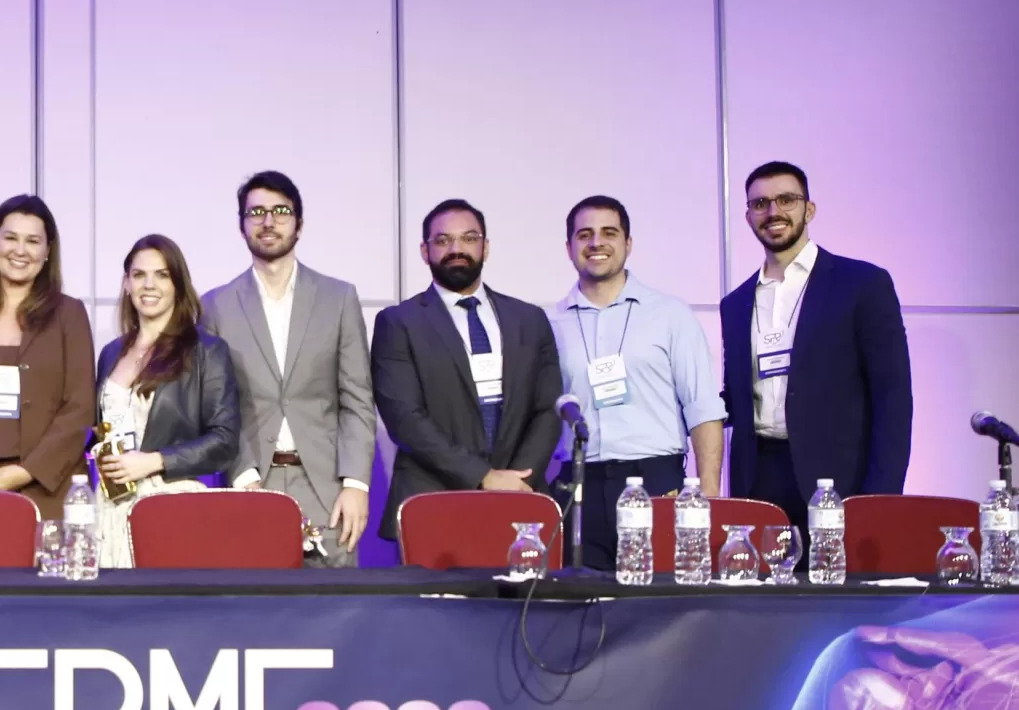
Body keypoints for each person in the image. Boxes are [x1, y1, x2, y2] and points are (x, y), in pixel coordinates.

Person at [200, 170, 377, 565]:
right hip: (249, 483)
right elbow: (216, 408)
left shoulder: (338, 298)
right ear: (241, 226)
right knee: (253, 599)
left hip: (328, 487)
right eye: (256, 212)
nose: (268, 221)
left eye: (281, 211)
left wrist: (356, 484)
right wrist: (243, 478)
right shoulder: (215, 306)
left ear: (300, 223)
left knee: (334, 601)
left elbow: (357, 399)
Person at [720, 161, 912, 518]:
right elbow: (735, 397)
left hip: (840, 479)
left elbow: (893, 398)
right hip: (758, 479)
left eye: (786, 200)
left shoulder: (862, 284)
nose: (773, 212)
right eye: (760, 204)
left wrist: (880, 498)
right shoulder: (734, 304)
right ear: (748, 217)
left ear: (809, 209)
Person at [549, 195, 727, 570]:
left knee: (658, 596)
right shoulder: (549, 324)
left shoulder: (670, 314)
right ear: (568, 248)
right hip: (578, 486)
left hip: (656, 482)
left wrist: (709, 494)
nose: (596, 242)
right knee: (579, 598)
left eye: (609, 233)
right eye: (585, 234)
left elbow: (702, 407)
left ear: (628, 243)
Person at [370, 198, 561, 543]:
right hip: (432, 501)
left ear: (485, 248)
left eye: (469, 238)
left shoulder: (529, 319)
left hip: (521, 498)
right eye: (443, 240)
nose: (456, 249)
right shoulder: (398, 323)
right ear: (425, 251)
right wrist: (484, 476)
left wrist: (518, 479)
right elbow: (405, 418)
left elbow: (548, 407)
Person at [0, 194, 96, 522]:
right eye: (10, 238)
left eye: (33, 241)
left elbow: (80, 407)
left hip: (47, 486)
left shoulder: (69, 314)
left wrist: (27, 471)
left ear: (48, 250)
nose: (20, 250)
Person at [92, 236, 241, 566]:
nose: (149, 285)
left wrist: (154, 461)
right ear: (126, 283)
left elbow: (224, 441)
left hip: (171, 505)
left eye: (162, 275)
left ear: (178, 284)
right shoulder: (110, 354)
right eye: (139, 275)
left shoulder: (206, 351)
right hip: (110, 505)